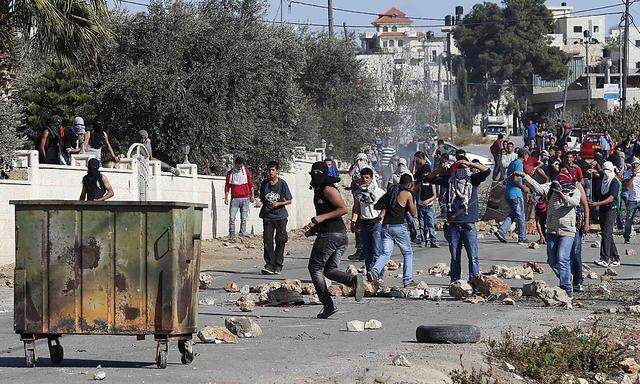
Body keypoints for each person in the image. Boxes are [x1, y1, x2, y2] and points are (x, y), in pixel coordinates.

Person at [307, 161, 364, 319]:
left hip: (332, 235)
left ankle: (328, 305)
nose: (315, 177)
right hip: (335, 235)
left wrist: (322, 217)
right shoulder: (319, 190)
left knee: (315, 268)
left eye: (319, 174)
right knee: (329, 270)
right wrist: (314, 228)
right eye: (314, 174)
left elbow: (343, 209)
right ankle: (353, 280)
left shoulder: (328, 189)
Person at [515, 165, 581, 296]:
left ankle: (566, 287)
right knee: (551, 259)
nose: (562, 175)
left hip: (567, 230)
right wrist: (525, 176)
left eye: (565, 172)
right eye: (560, 172)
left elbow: (574, 202)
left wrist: (563, 196)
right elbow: (538, 188)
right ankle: (566, 275)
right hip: (552, 229)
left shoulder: (575, 190)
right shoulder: (551, 187)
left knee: (563, 258)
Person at [429, 150, 491, 282]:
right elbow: (430, 178)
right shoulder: (449, 180)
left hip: (469, 223)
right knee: (455, 257)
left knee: (473, 257)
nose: (461, 168)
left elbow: (486, 171)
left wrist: (469, 164)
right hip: (454, 225)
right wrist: (440, 168)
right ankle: (455, 282)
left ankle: (474, 282)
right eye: (459, 164)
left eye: (463, 165)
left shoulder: (473, 180)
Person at [367, 173, 417, 288]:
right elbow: (413, 212)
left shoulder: (391, 192)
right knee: (408, 253)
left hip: (385, 227)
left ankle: (374, 271)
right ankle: (407, 280)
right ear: (410, 184)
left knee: (385, 253)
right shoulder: (407, 194)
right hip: (398, 227)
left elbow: (377, 205)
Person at [259, 161, 292, 275]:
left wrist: (278, 204)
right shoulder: (264, 184)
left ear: (277, 171)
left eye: (273, 170)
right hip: (267, 216)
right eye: (269, 170)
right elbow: (262, 198)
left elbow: (289, 200)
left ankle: (278, 264)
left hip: (280, 216)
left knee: (280, 240)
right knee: (267, 241)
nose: (270, 172)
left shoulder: (282, 184)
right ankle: (269, 264)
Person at [350, 167, 384, 273]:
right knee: (367, 251)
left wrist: (380, 217)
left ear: (371, 178)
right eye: (363, 177)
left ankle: (379, 275)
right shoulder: (359, 193)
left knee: (377, 251)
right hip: (364, 223)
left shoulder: (379, 192)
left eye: (367, 177)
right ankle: (370, 273)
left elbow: (385, 206)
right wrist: (353, 221)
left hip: (375, 224)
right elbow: (356, 208)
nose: (365, 180)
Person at [495, 148, 530, 245]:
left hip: (508, 192)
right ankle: (522, 237)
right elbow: (516, 179)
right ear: (524, 155)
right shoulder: (519, 164)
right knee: (521, 215)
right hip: (515, 193)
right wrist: (524, 188)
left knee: (513, 213)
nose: (528, 157)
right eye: (527, 155)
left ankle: (501, 230)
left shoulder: (512, 163)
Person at [591, 161, 621, 267]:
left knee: (606, 234)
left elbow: (611, 198)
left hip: (610, 210)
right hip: (603, 210)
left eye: (607, 170)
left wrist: (597, 204)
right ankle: (616, 258)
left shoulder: (614, 182)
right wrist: (596, 164)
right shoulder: (605, 176)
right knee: (607, 234)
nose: (605, 172)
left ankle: (604, 258)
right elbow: (600, 170)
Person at [224, 157, 255, 241]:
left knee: (244, 218)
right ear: (235, 164)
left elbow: (251, 184)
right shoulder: (230, 174)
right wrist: (226, 197)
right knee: (232, 218)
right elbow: (227, 186)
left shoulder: (246, 172)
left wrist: (252, 196)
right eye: (238, 166)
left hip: (245, 198)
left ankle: (242, 232)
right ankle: (232, 234)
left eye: (241, 166)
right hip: (235, 199)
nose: (240, 168)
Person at [414, 151, 438, 248]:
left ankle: (433, 241)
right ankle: (424, 240)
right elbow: (415, 186)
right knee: (422, 224)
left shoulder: (431, 182)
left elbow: (434, 194)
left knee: (430, 223)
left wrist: (428, 201)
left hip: (429, 205)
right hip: (421, 204)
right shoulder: (420, 180)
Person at [571, 182, 590, 292]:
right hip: (562, 225)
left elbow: (585, 205)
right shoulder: (557, 184)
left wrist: (587, 222)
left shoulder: (577, 186)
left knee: (575, 252)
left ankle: (577, 281)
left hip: (576, 225)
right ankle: (566, 280)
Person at [623, 157, 640, 244]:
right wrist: (632, 176)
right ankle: (626, 237)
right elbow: (627, 186)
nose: (635, 165)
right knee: (629, 219)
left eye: (636, 163)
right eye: (633, 163)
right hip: (631, 199)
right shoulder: (628, 173)